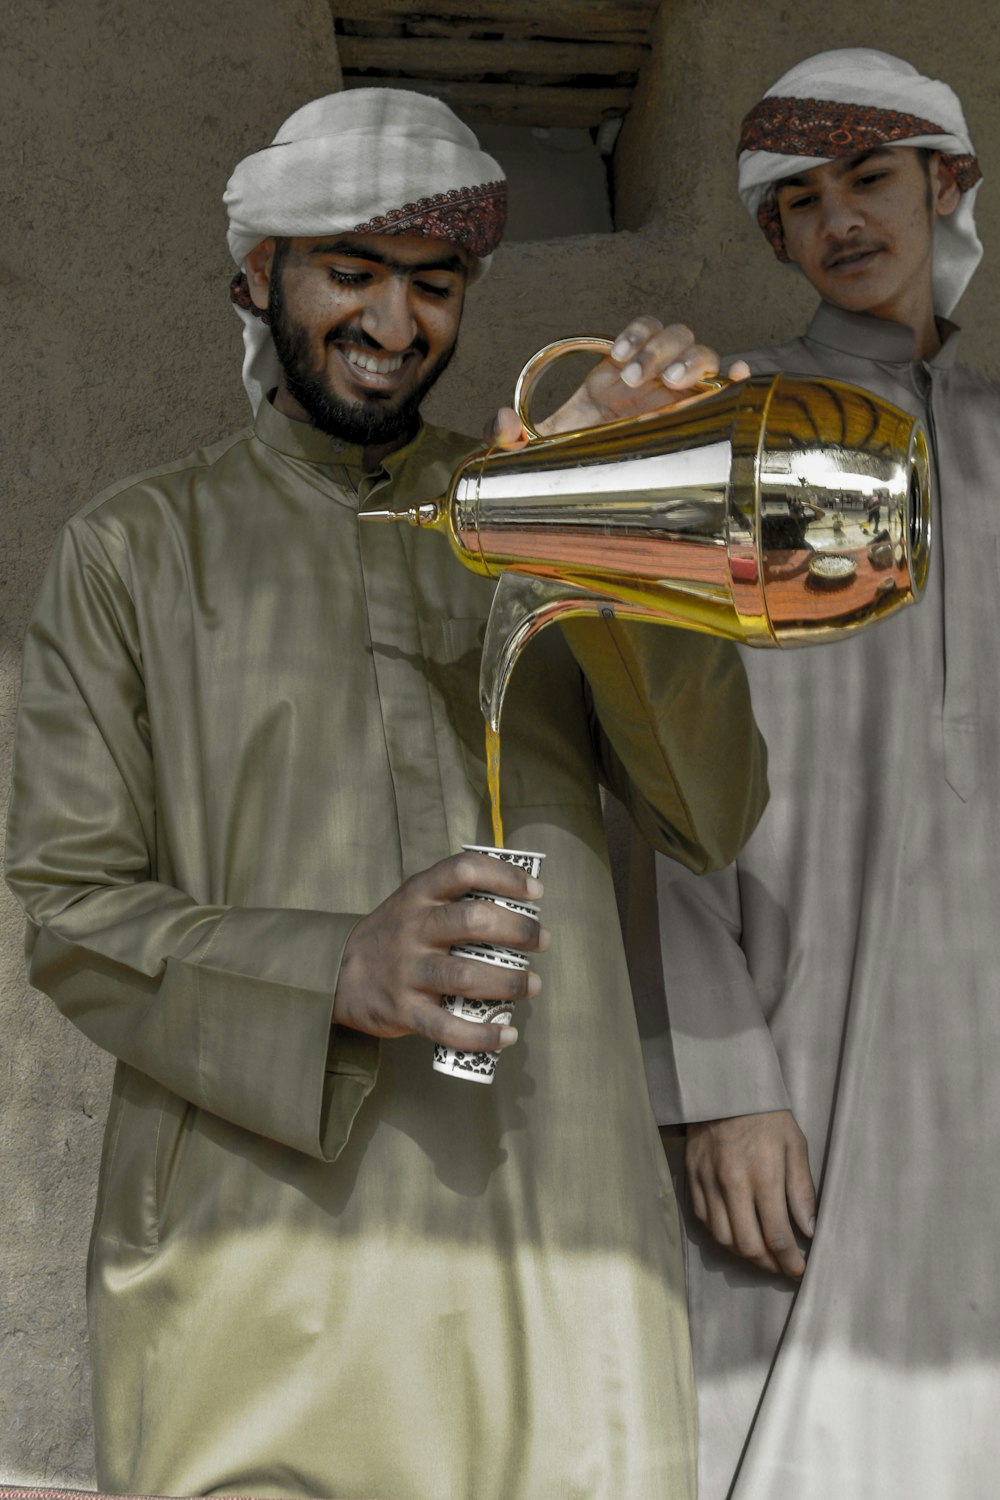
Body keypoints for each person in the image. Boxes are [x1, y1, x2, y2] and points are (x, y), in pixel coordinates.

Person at [4, 89, 767, 1500]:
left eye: (434, 285)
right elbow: (64, 907)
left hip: (554, 1244)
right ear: (256, 276)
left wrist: (625, 509)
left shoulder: (541, 502)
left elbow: (711, 814)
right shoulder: (131, 551)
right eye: (351, 273)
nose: (395, 323)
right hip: (258, 1277)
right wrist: (332, 968)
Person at [638, 48, 1000, 1500]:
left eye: (868, 178)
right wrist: (718, 1076)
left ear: (948, 186)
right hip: (799, 1044)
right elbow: (652, 766)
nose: (839, 219)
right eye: (797, 199)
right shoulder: (731, 429)